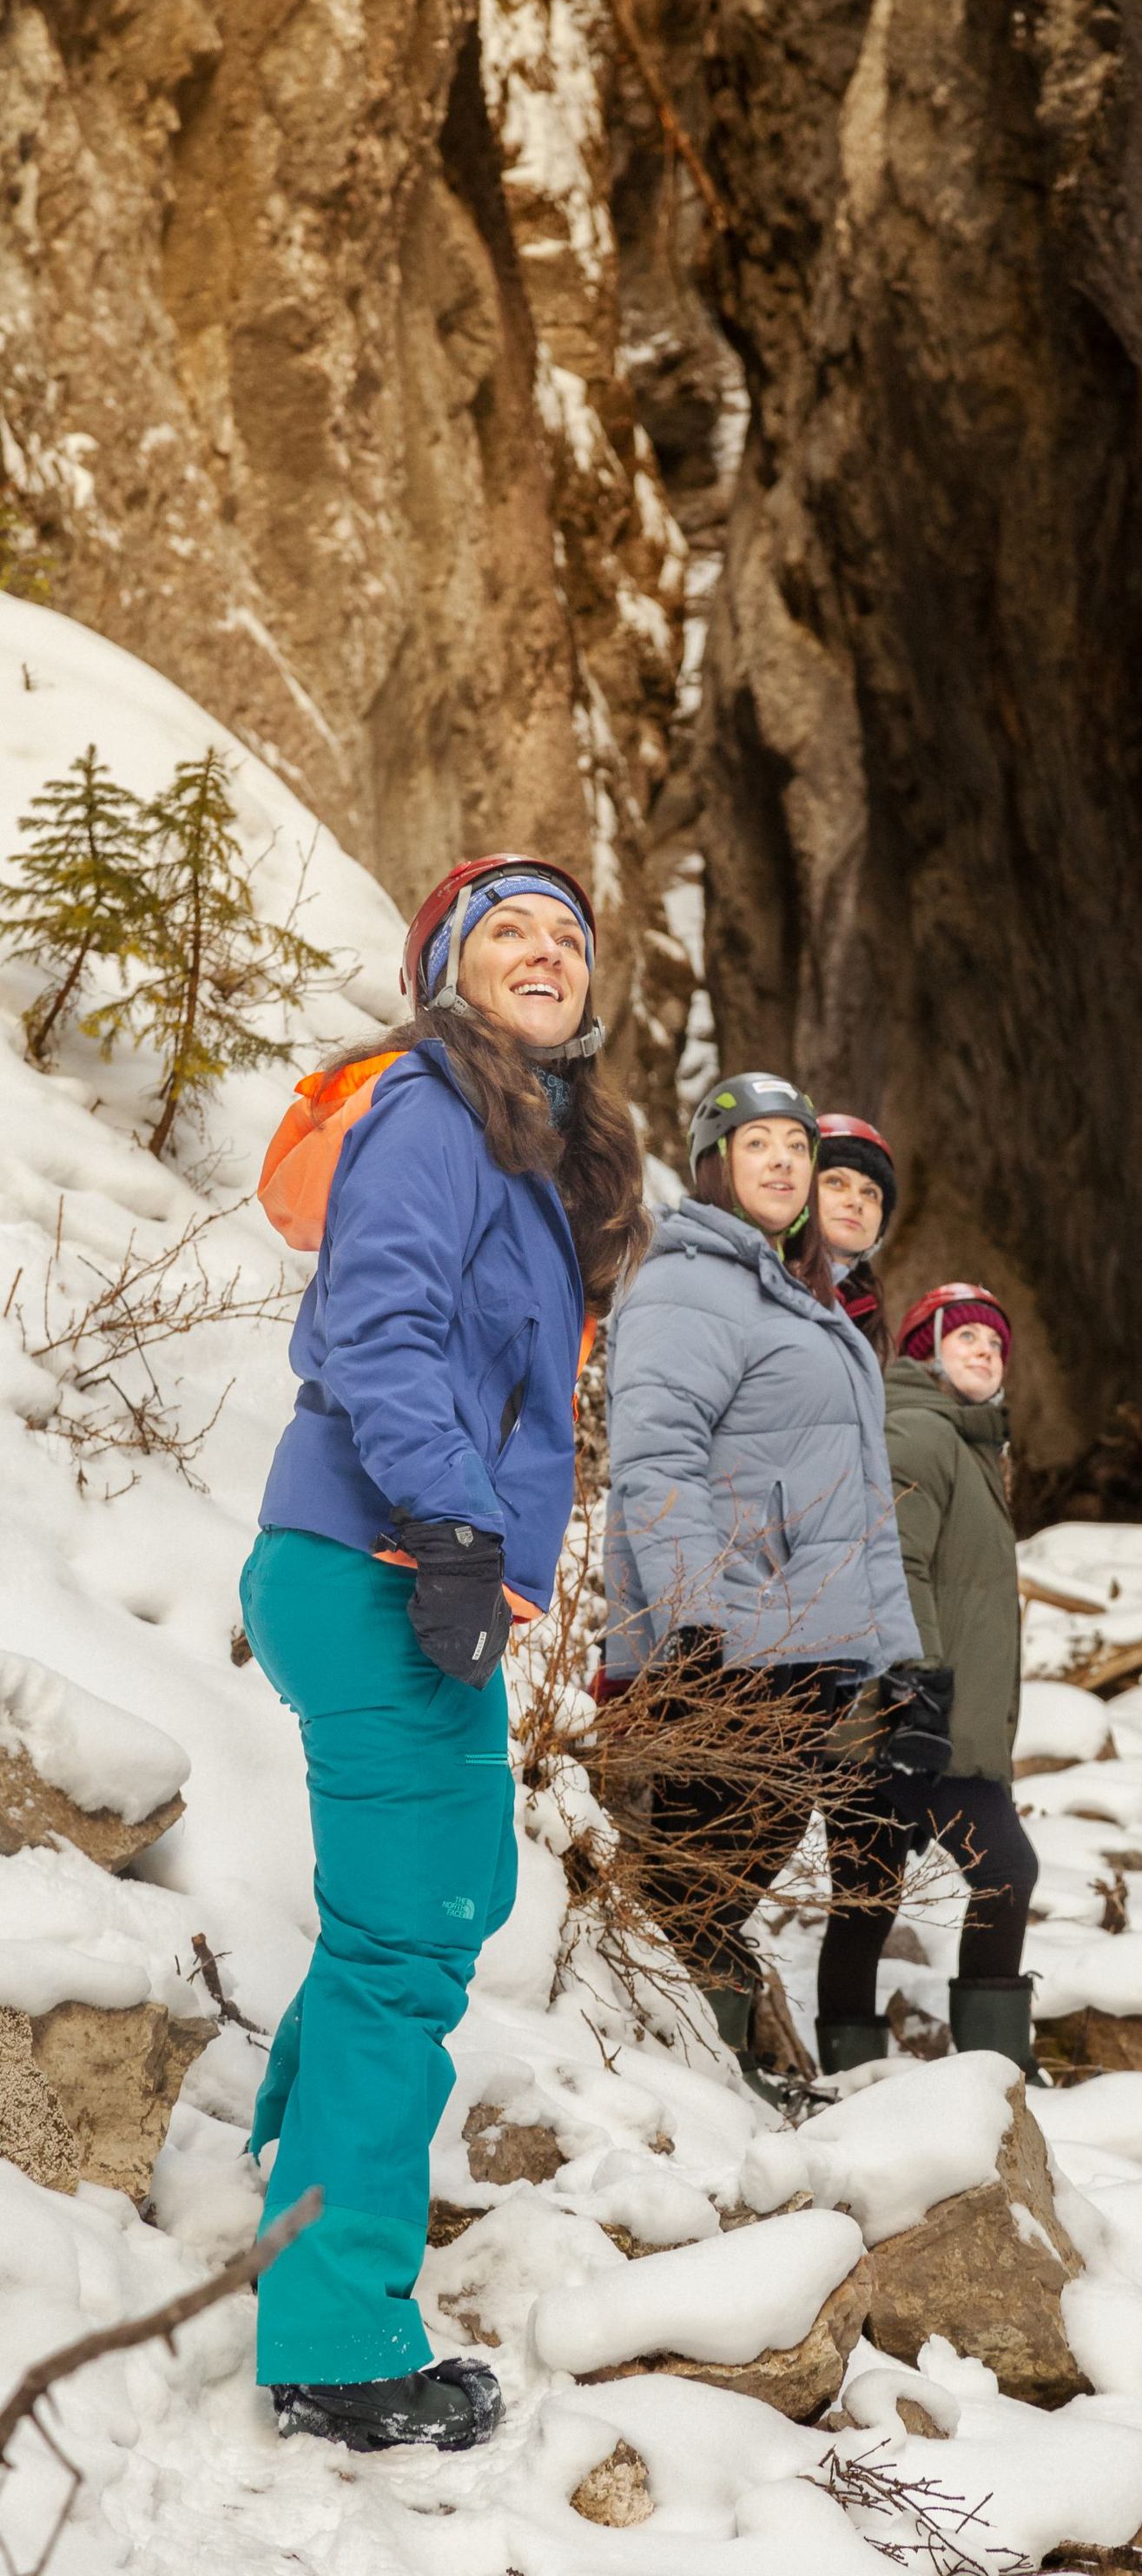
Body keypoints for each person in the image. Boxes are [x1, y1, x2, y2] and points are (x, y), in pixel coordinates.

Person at [243, 854, 648, 2449]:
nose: (545, 951)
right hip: (383, 1550)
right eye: (510, 932)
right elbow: (385, 1321)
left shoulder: (534, 1148)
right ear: (449, 971)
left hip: (402, 1555)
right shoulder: (432, 1103)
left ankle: (281, 2179)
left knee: (449, 1891)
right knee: (407, 1944)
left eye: (569, 934)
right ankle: (334, 2341)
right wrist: (460, 1529)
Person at [603, 1072, 921, 2084]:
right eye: (758, 1146)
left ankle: (721, 2091)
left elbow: (857, 1497)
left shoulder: (801, 1296)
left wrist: (892, 1657)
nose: (784, 1161)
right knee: (696, 1891)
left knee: (730, 1880)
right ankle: (689, 2096)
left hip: (808, 1651)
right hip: (733, 1644)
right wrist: (695, 1622)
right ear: (713, 1167)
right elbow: (657, 1460)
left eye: (797, 1145)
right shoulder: (689, 1278)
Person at [815, 1282, 1039, 2076]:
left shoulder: (966, 1444)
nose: (985, 1351)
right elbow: (895, 1563)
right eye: (965, 1338)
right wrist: (918, 1692)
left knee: (866, 1900)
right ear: (922, 1351)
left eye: (995, 1344)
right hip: (913, 1723)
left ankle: (846, 2075)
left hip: (904, 1722)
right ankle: (995, 2075)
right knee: (1007, 1872)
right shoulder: (920, 1430)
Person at [817, 1112, 898, 1363]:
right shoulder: (759, 1278)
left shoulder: (865, 1317)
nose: (856, 1202)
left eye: (871, 1193)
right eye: (835, 1182)